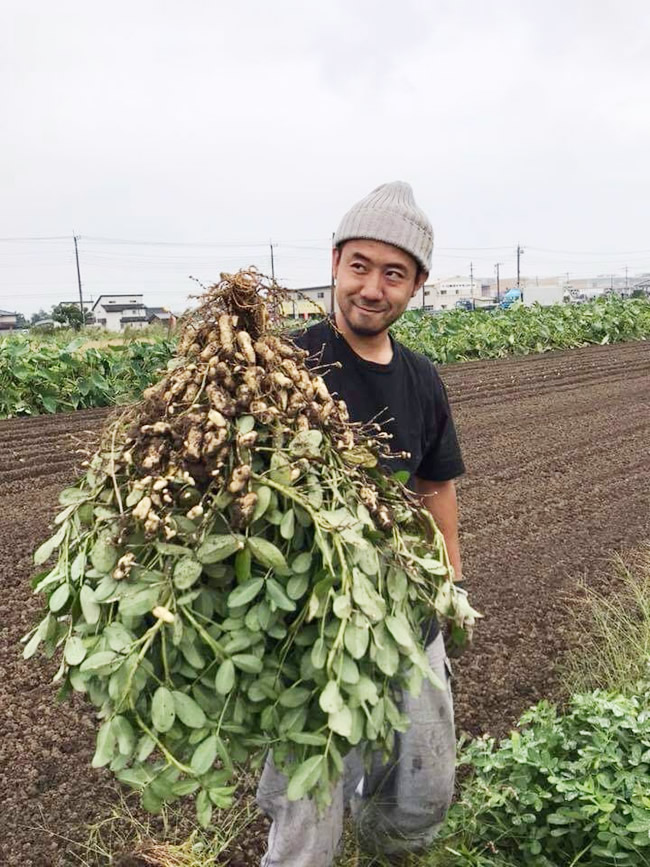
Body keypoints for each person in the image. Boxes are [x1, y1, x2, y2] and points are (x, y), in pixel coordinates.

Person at [256, 181, 466, 866]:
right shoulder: (284, 365)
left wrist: (450, 582)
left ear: (417, 285)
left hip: (408, 617)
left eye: (393, 273)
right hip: (312, 629)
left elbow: (435, 486)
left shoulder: (421, 379)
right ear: (337, 262)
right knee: (307, 813)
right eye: (360, 266)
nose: (372, 288)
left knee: (422, 792)